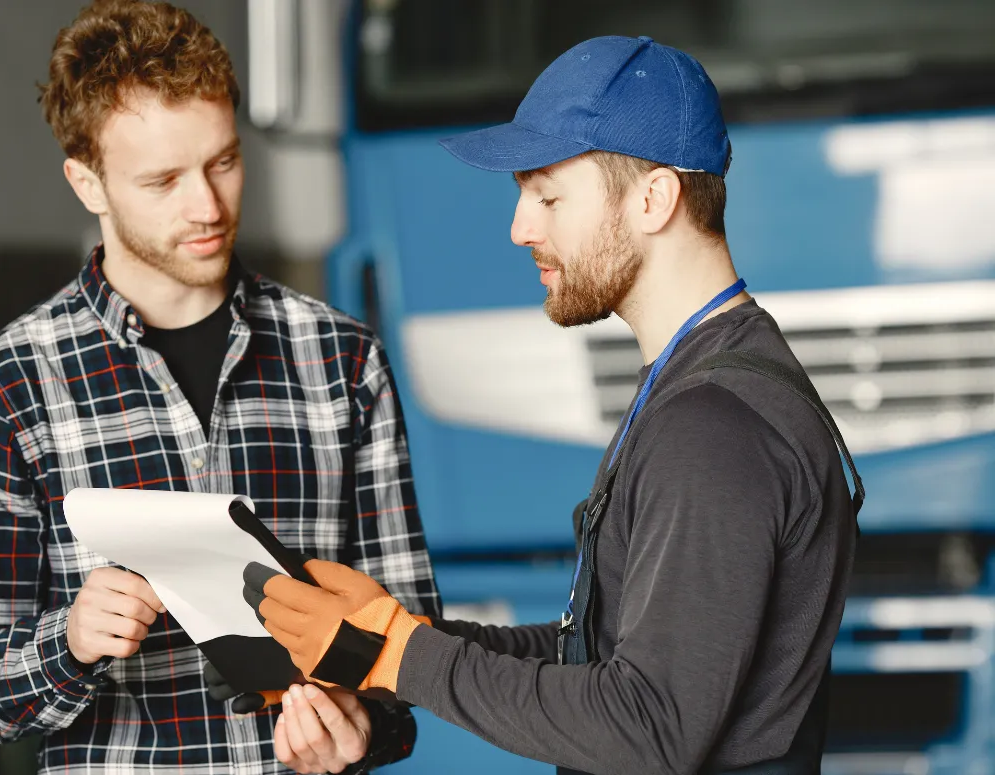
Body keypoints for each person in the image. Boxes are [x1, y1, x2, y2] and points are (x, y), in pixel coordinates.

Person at [245, 35, 860, 774]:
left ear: (653, 199)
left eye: (548, 194)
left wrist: (400, 655)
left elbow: (649, 728)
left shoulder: (711, 429)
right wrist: (392, 635)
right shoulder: (702, 385)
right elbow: (596, 653)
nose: (520, 227)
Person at [0, 1, 440, 772]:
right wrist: (66, 643)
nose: (207, 206)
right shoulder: (3, 390)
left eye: (224, 162)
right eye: (163, 180)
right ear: (87, 182)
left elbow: (414, 644)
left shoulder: (343, 359)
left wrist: (365, 726)